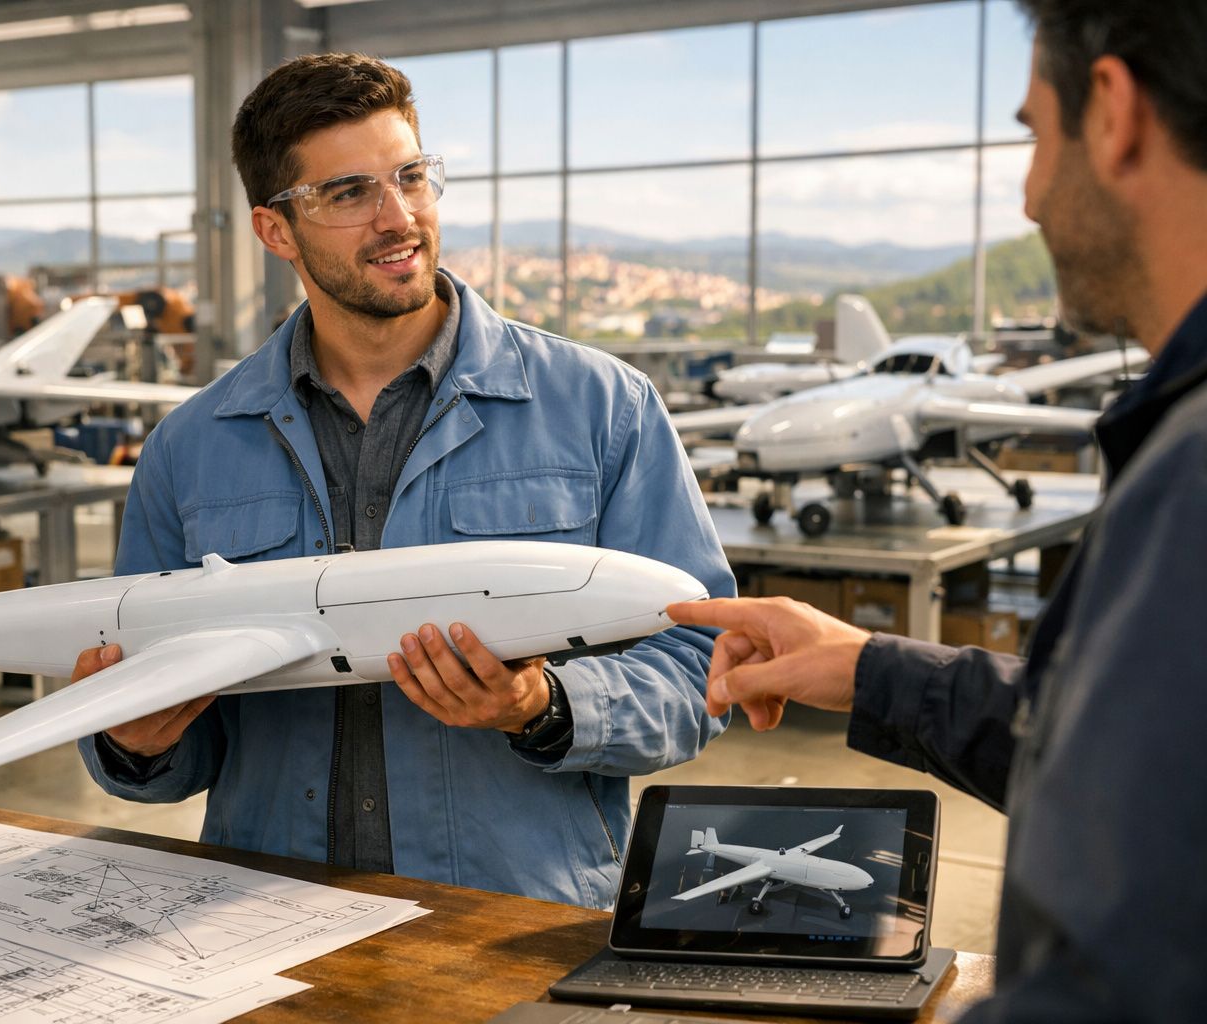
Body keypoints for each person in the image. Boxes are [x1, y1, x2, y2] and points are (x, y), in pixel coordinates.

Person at [72, 52, 735, 908]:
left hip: (513, 925)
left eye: (412, 176)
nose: (400, 218)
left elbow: (701, 663)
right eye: (348, 193)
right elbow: (163, 754)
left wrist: (543, 703)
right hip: (262, 924)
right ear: (276, 231)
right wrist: (134, 740)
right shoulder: (190, 448)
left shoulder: (603, 408)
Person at [667, 2, 1207, 1017]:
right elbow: (1126, 767)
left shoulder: (1192, 471)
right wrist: (872, 667)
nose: (1032, 197)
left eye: (1034, 137)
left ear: (1115, 111)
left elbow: (1130, 973)